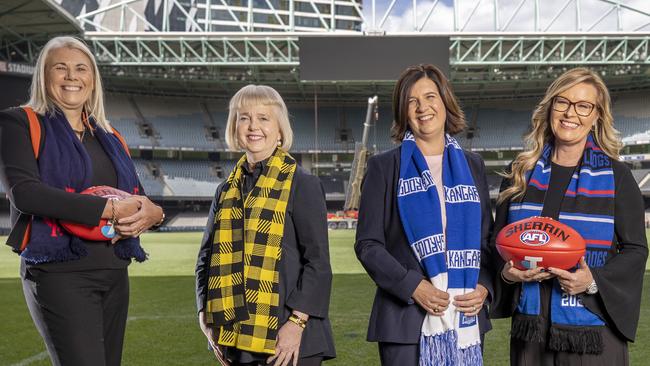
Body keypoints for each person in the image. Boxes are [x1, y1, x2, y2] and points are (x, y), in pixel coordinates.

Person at [0, 36, 164, 366]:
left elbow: (136, 195)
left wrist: (155, 213)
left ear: (93, 79)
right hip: (59, 274)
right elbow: (26, 193)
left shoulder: (110, 136)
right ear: (44, 77)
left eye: (81, 68)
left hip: (114, 271)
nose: (72, 76)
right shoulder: (19, 122)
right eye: (60, 68)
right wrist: (111, 210)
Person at [489, 67, 647, 365]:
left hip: (592, 333)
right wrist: (507, 273)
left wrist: (592, 280)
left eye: (583, 105)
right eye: (562, 102)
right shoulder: (520, 174)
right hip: (531, 332)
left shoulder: (617, 176)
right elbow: (496, 244)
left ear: (597, 115)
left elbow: (636, 250)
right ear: (550, 107)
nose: (570, 113)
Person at [355, 64, 494, 365]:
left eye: (430, 97)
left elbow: (487, 240)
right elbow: (368, 244)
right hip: (405, 322)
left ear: (445, 102)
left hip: (465, 317)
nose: (422, 108)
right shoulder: (384, 167)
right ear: (403, 112)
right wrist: (412, 286)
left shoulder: (473, 166)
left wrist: (484, 287)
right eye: (412, 101)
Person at [195, 84, 335, 366]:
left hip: (290, 339)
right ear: (234, 127)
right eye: (243, 117)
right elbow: (205, 259)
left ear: (280, 129)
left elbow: (318, 263)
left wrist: (296, 323)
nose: (252, 126)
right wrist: (205, 314)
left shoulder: (302, 184)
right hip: (234, 337)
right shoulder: (225, 189)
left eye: (263, 118)